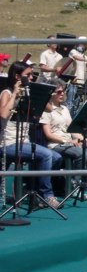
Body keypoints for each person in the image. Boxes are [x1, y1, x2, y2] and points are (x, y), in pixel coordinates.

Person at [0, 61, 62, 209]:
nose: (31, 77)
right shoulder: (6, 93)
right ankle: (47, 195)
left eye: (32, 75)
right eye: (28, 75)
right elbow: (2, 115)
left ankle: (31, 188)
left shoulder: (28, 92)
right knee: (47, 155)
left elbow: (48, 109)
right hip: (8, 143)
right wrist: (15, 93)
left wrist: (40, 92)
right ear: (17, 76)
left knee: (56, 157)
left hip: (24, 143)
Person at [40, 78, 87, 191]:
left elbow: (72, 129)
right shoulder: (46, 110)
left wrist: (83, 140)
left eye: (64, 91)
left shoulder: (65, 109)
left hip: (69, 142)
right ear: (51, 93)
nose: (62, 94)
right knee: (80, 153)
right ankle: (74, 186)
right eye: (59, 92)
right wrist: (67, 142)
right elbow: (48, 135)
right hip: (55, 144)